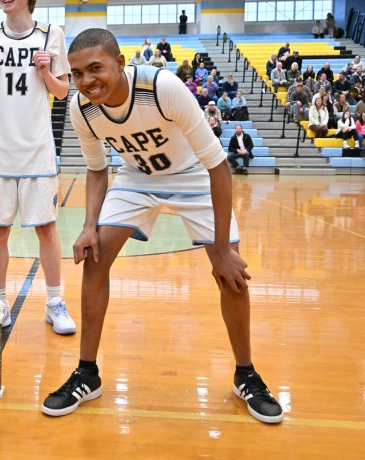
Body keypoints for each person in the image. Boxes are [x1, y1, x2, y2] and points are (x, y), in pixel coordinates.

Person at [41, 28, 283, 424]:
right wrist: (88, 225)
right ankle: (87, 372)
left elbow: (219, 167)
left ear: (121, 64)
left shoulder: (163, 88)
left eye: (96, 68)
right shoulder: (81, 109)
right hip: (136, 178)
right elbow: (97, 170)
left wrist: (221, 250)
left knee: (231, 274)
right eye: (78, 73)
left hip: (194, 176)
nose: (87, 81)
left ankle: (246, 375)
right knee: (95, 256)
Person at [0, 0, 76, 337]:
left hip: (37, 151)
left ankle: (54, 302)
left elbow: (62, 92)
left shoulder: (51, 34)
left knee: (46, 230)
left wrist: (46, 73)